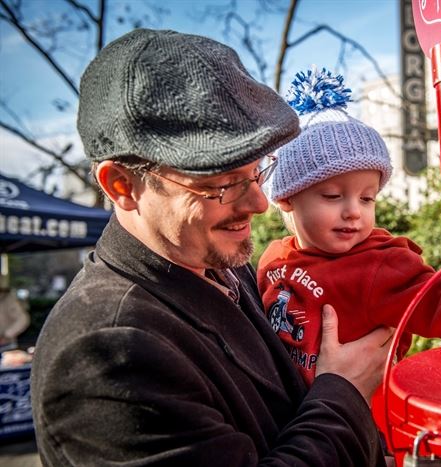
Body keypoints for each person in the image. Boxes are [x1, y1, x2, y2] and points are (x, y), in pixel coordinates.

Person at [30, 29, 393, 467]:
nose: (259, 203)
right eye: (219, 184)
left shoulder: (216, 260)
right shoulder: (105, 356)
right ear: (122, 185)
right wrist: (343, 393)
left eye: (257, 170)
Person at [258, 68, 441, 388]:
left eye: (368, 198)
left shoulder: (377, 264)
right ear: (286, 198)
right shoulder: (273, 258)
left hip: (362, 421)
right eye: (332, 196)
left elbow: (436, 294)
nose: (354, 211)